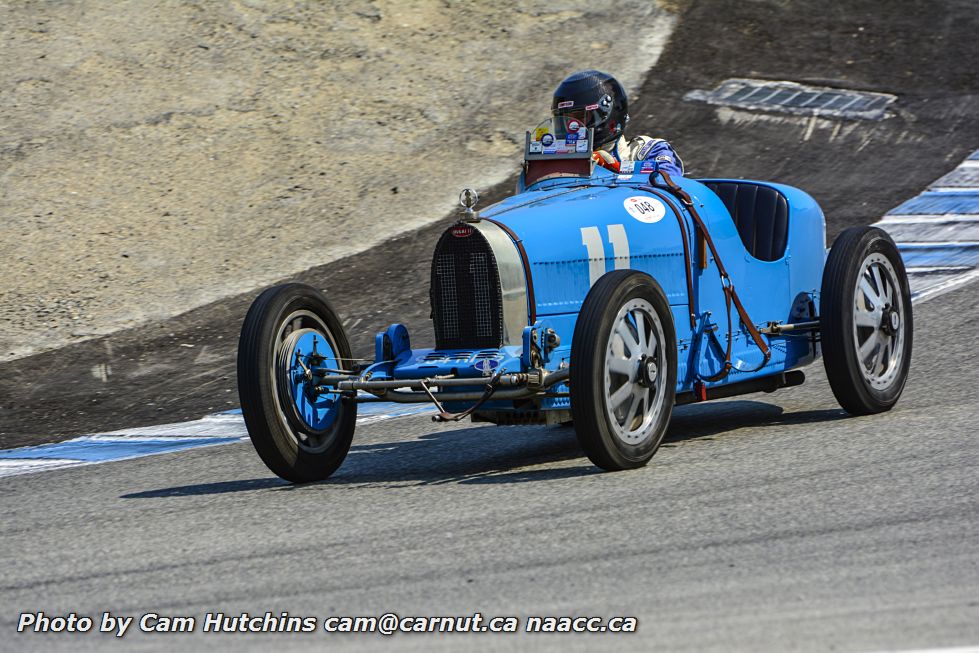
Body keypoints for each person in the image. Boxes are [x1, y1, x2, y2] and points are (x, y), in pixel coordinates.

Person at [551, 70, 684, 176]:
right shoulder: (554, 160)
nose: (570, 127)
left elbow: (669, 180)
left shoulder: (648, 150)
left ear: (607, 113)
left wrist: (614, 168)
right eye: (563, 120)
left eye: (579, 117)